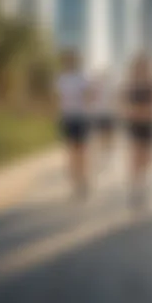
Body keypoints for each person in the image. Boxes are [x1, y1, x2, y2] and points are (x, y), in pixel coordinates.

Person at [121, 53, 152, 207]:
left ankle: (141, 180)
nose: (142, 69)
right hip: (135, 125)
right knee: (135, 157)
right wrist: (132, 112)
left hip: (150, 125)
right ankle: (136, 188)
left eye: (145, 66)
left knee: (147, 159)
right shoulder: (130, 85)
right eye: (139, 66)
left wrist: (150, 111)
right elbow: (122, 104)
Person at [55, 50, 93, 200]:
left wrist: (84, 99)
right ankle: (76, 184)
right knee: (71, 152)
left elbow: (90, 96)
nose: (69, 62)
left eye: (72, 60)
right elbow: (56, 98)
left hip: (81, 118)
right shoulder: (60, 79)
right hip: (67, 119)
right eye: (67, 60)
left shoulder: (82, 78)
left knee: (82, 152)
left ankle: (83, 180)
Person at [91, 69, 118, 159]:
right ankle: (103, 150)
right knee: (101, 133)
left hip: (108, 113)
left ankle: (107, 150)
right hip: (100, 113)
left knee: (107, 133)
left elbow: (114, 99)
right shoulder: (96, 87)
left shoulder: (110, 86)